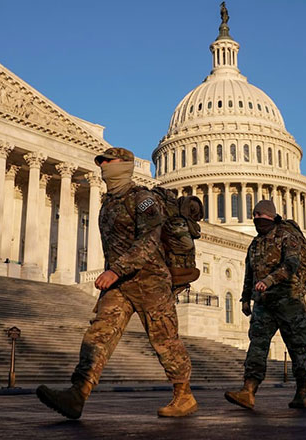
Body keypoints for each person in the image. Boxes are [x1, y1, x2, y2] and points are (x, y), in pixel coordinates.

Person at [36, 148, 197, 418]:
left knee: (165, 340)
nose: (103, 166)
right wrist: (115, 273)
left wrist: (116, 270)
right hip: (120, 284)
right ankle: (78, 393)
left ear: (124, 165)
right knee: (98, 334)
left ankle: (184, 395)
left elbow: (150, 239)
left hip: (150, 281)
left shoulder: (144, 199)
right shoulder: (108, 202)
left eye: (108, 162)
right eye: (101, 162)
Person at [225, 200, 306, 410]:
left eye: (261, 216)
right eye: (254, 216)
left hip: (288, 300)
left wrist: (270, 280)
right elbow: (250, 273)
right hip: (264, 303)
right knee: (257, 345)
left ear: (271, 217)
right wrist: (246, 298)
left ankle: (303, 391)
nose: (257, 220)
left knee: (297, 346)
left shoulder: (286, 236)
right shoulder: (255, 243)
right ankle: (248, 391)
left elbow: (291, 264)